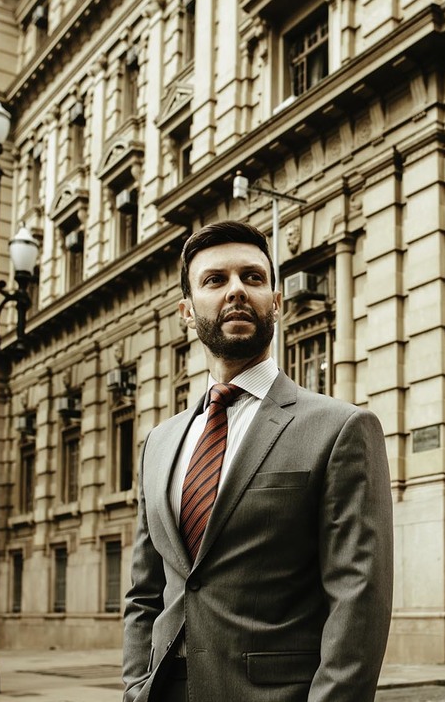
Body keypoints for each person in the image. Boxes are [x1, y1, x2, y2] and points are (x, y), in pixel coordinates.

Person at [122, 221, 394, 702]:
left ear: (277, 302)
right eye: (215, 280)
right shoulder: (159, 443)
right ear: (187, 312)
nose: (236, 291)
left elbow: (358, 598)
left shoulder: (341, 428)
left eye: (252, 277)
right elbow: (145, 592)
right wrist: (135, 685)